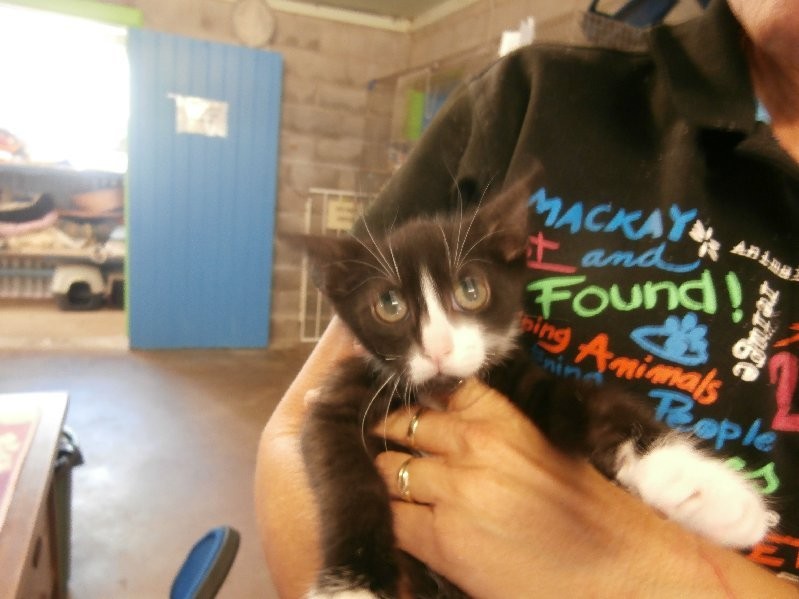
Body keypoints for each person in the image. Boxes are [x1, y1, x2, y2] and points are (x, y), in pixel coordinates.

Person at [255, 0, 799, 596]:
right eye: (392, 307)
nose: (437, 345)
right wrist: (355, 569)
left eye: (468, 291)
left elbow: (570, 407)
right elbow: (301, 432)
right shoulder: (528, 95)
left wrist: (642, 559)